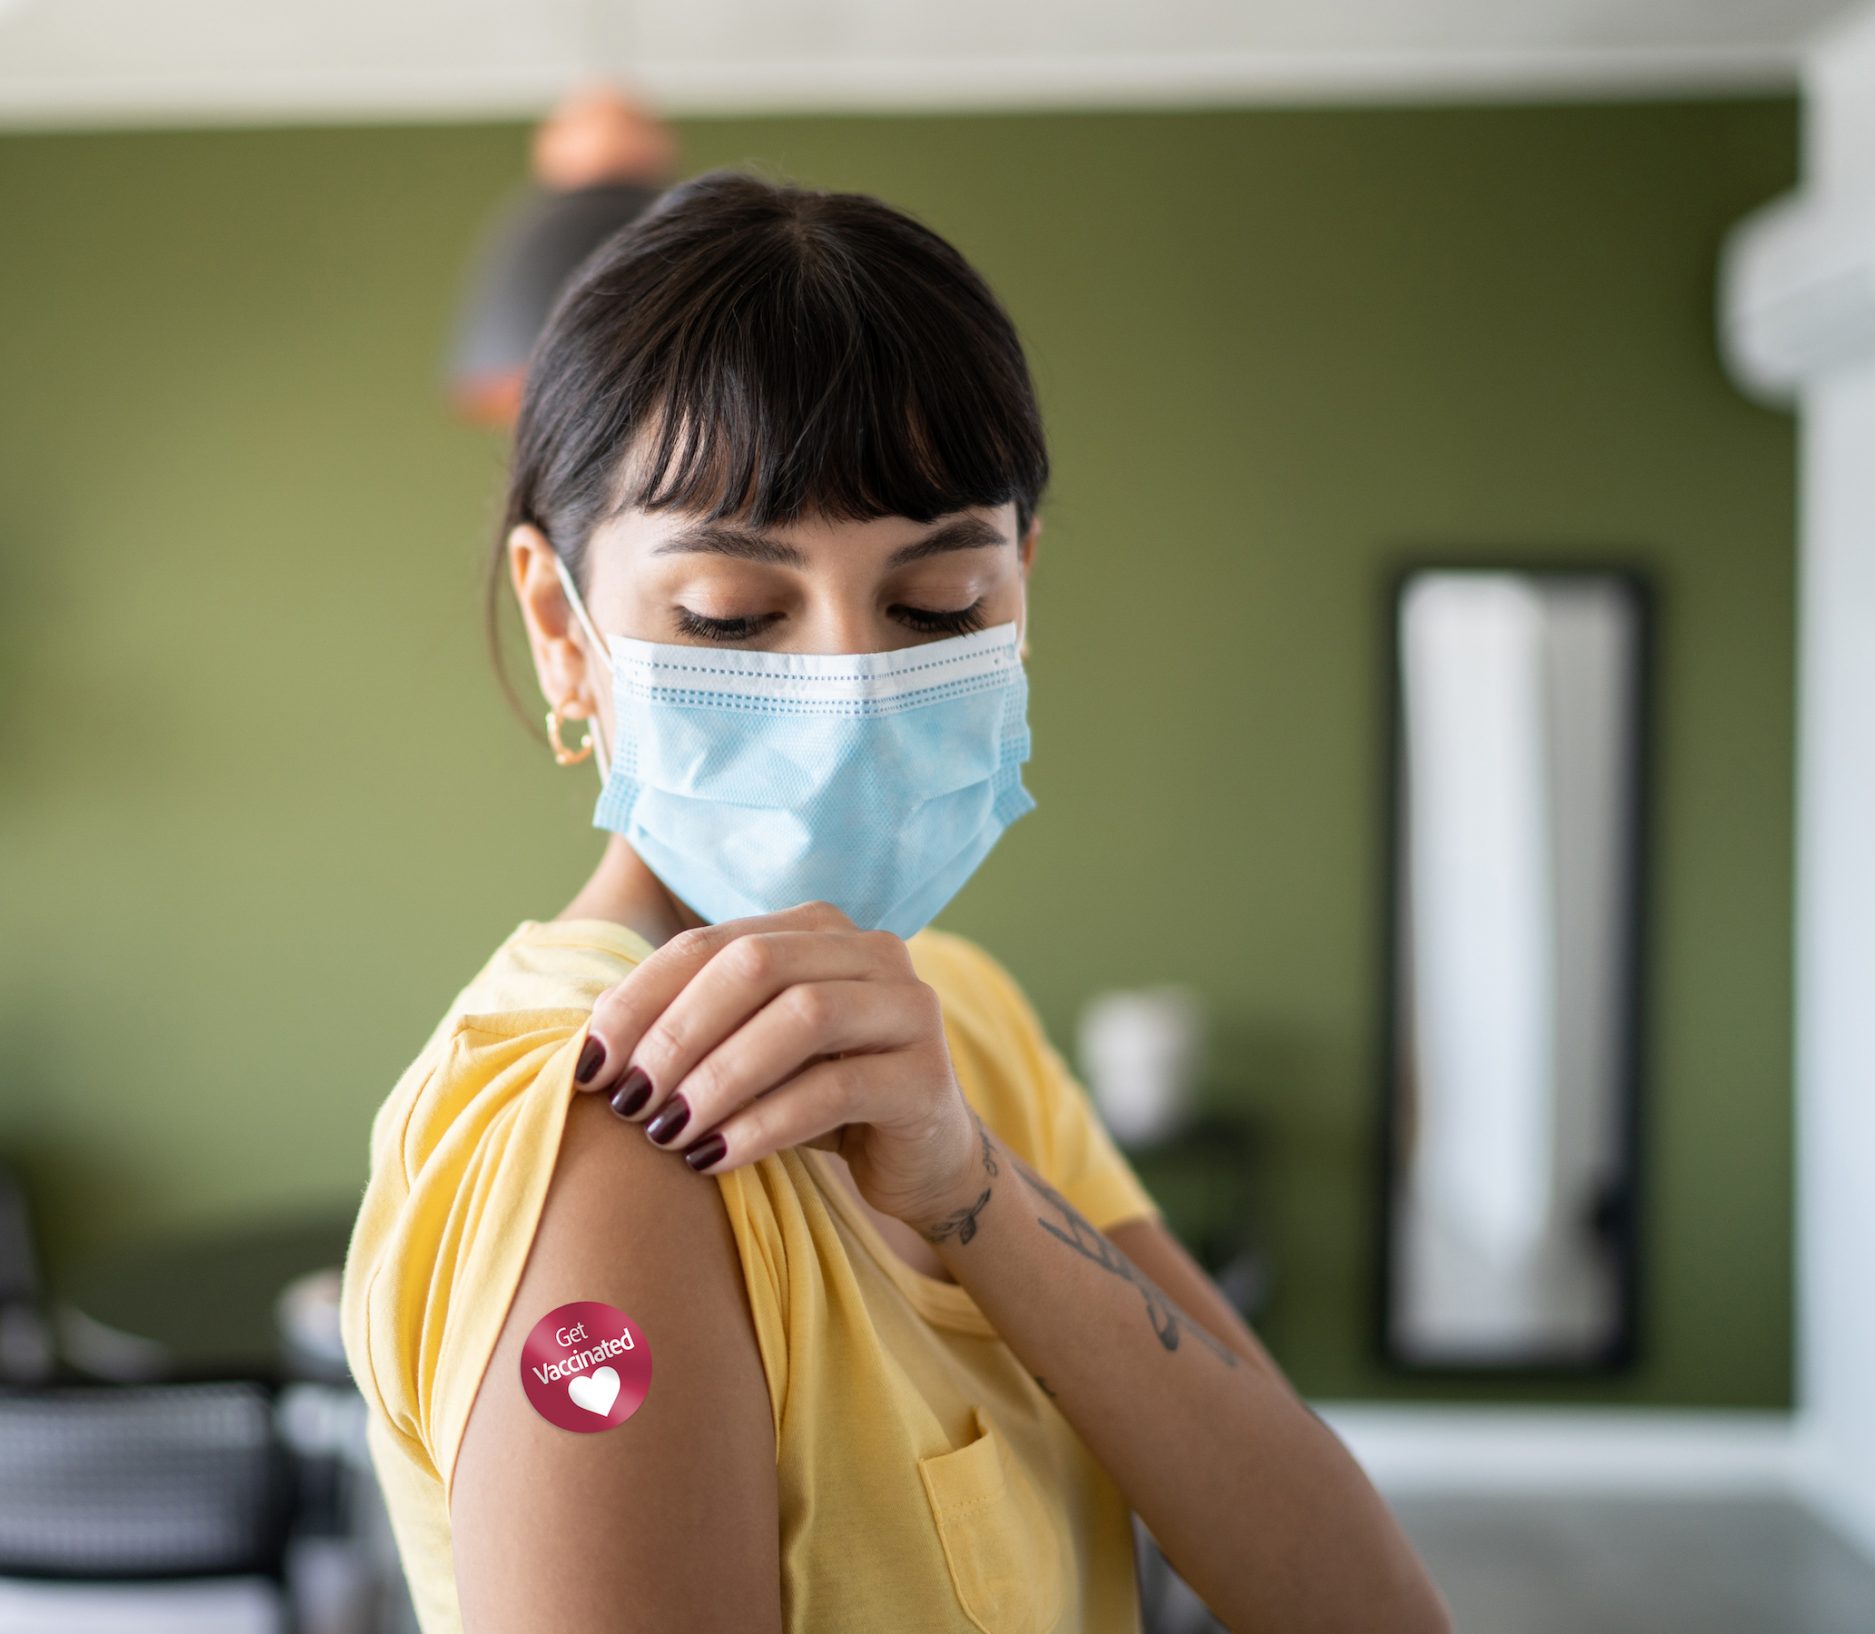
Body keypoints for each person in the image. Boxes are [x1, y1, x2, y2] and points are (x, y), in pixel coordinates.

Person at [340, 167, 1449, 1634]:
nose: (848, 687)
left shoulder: (961, 1016)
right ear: (565, 629)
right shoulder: (607, 1142)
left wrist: (969, 1184)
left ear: (1024, 591)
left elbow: (1358, 1601)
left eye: (939, 608)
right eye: (732, 616)